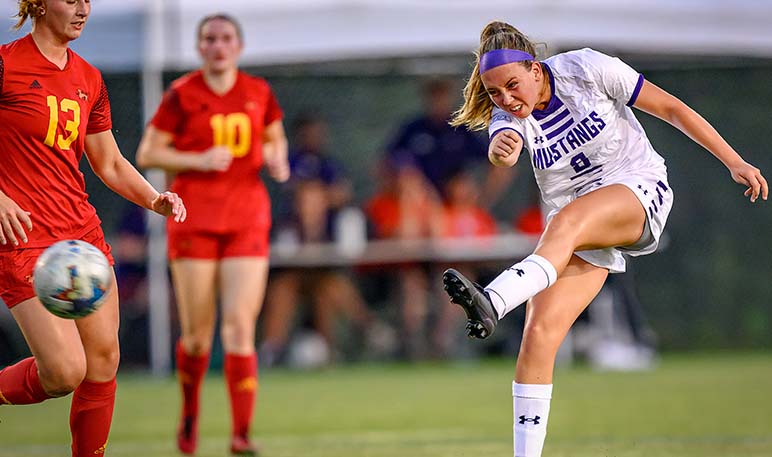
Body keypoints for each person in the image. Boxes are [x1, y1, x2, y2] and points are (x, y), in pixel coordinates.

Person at [441, 20, 767, 457]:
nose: (506, 99)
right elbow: (506, 140)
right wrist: (502, 148)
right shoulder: (509, 112)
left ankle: (496, 299)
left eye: (512, 86)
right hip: (577, 229)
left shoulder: (587, 68)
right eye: (495, 93)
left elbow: (672, 109)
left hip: (637, 189)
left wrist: (734, 161)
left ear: (536, 70)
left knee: (567, 221)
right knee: (539, 335)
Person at [0, 1, 186, 456]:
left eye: (88, 0)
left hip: (80, 236)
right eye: (71, 0)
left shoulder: (89, 78)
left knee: (103, 363)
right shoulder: (6, 64)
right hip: (23, 239)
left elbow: (109, 162)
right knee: (64, 372)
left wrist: (152, 198)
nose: (83, 9)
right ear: (39, 5)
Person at [135, 13, 289, 456]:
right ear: (199, 48)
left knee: (240, 327)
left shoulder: (257, 92)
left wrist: (277, 159)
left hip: (246, 219)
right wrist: (199, 160)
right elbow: (148, 152)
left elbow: (274, 140)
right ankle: (189, 418)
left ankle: (241, 434)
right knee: (198, 334)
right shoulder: (182, 93)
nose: (218, 46)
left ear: (238, 46)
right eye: (209, 39)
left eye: (226, 39)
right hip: (194, 220)